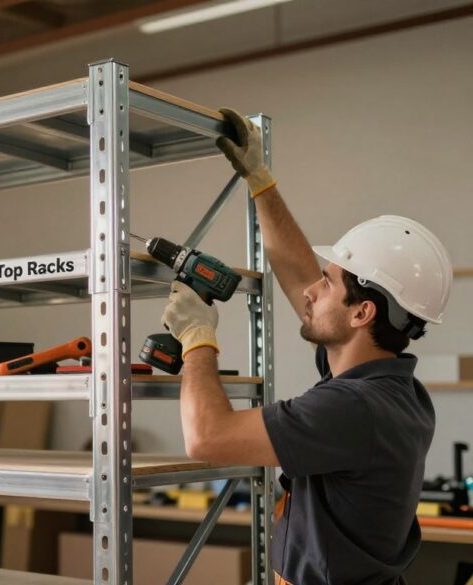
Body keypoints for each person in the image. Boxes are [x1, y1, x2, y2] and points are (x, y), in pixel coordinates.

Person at [160, 108, 453, 584]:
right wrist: (260, 180)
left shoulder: (353, 408)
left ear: (362, 314)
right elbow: (302, 277)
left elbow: (206, 437)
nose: (309, 292)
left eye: (329, 283)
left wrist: (198, 338)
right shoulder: (385, 385)